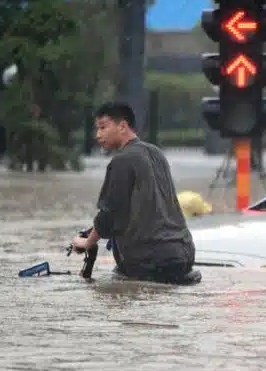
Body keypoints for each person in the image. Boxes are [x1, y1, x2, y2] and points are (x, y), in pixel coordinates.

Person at [70, 101, 199, 285]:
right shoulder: (156, 153)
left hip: (149, 261)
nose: (98, 135)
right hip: (184, 254)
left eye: (103, 127)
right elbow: (147, 208)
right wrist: (93, 231)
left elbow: (109, 215)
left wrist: (86, 243)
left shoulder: (122, 161)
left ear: (123, 126)